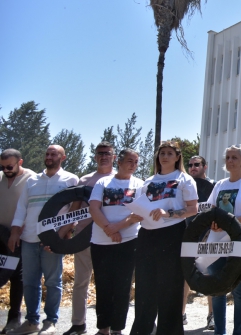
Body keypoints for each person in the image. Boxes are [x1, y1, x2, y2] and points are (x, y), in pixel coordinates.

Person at [8, 145, 79, 335]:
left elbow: (74, 211)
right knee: (30, 282)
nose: (49, 156)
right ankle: (32, 322)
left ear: (62, 157)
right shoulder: (32, 180)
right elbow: (22, 208)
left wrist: (63, 234)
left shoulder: (70, 179)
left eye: (53, 154)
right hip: (29, 238)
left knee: (52, 282)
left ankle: (50, 322)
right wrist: (15, 232)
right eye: (47, 153)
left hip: (52, 240)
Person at [129, 141, 198, 335]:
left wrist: (169, 213)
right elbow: (142, 206)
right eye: (162, 153)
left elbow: (193, 209)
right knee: (144, 288)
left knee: (170, 289)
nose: (165, 157)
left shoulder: (184, 179)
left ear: (177, 157)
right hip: (146, 236)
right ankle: (142, 330)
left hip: (172, 235)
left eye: (169, 153)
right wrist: (136, 215)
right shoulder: (148, 181)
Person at [208, 145, 241, 335]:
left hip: (240, 244)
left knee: (239, 293)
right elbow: (211, 211)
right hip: (217, 243)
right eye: (228, 157)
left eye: (235, 157)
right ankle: (219, 332)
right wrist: (214, 223)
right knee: (218, 290)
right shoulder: (219, 185)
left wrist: (230, 222)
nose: (230, 160)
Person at [88, 149, 145, 335]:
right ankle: (103, 327)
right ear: (119, 162)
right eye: (130, 161)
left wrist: (117, 227)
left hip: (129, 241)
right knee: (103, 285)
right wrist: (108, 229)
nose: (133, 165)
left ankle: (117, 329)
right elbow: (94, 208)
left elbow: (138, 214)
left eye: (136, 162)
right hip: (100, 242)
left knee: (123, 286)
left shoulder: (140, 184)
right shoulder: (103, 182)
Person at [63, 142, 117, 335]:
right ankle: (78, 323)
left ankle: (109, 326)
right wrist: (62, 235)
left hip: (111, 237)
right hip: (84, 236)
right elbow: (74, 208)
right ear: (95, 157)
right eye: (100, 153)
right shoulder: (84, 180)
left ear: (114, 156)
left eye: (107, 153)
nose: (103, 156)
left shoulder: (120, 179)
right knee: (80, 282)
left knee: (110, 283)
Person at [0, 150, 36, 334]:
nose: (5, 170)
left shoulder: (32, 178)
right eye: (2, 166)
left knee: (16, 276)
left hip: (18, 236)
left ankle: (14, 318)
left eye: (10, 166)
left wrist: (19, 228)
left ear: (20, 161)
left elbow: (35, 206)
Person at [183, 155, 216, 330]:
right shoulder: (185, 185)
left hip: (209, 235)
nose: (193, 168)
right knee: (185, 276)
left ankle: (211, 316)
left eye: (197, 165)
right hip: (188, 234)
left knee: (209, 275)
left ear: (205, 166)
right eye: (190, 165)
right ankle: (181, 314)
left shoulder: (214, 186)